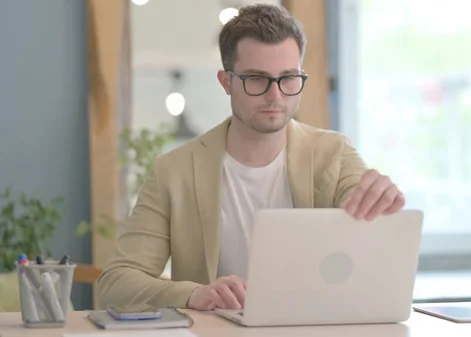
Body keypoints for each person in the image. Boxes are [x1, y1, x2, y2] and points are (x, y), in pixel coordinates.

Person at [96, 3, 405, 311]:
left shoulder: (335, 154)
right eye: (257, 79)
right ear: (226, 81)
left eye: (288, 78)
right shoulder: (174, 171)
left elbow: (363, 218)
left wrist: (377, 201)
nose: (276, 96)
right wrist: (193, 295)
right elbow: (117, 284)